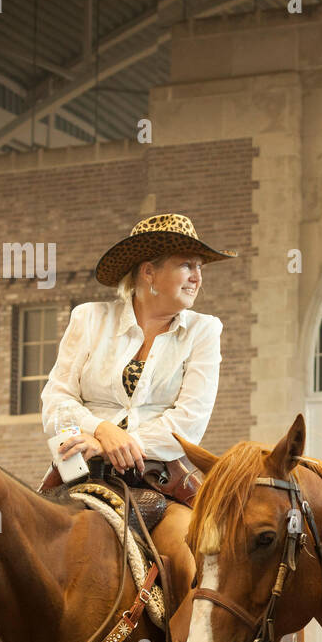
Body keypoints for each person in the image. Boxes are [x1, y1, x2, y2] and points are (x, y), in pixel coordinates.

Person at [39, 213, 234, 505]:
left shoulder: (204, 330)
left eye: (199, 267)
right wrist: (102, 430)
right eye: (186, 265)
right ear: (148, 272)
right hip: (79, 468)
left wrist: (113, 446)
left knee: (198, 546)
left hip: (161, 478)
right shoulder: (89, 318)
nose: (197, 276)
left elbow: (189, 422)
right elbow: (56, 402)